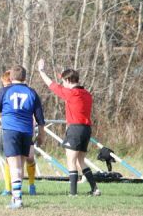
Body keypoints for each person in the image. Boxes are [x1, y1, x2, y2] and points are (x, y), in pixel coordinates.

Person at [0, 65, 46, 209]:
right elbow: (40, 118)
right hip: (26, 131)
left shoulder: (5, 91)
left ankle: (17, 199)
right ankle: (17, 197)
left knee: (13, 165)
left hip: (11, 130)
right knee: (20, 165)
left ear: (11, 78)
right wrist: (41, 135)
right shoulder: (32, 92)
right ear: (25, 77)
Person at [38, 59, 100, 196]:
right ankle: (95, 189)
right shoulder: (87, 94)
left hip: (75, 128)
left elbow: (51, 84)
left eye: (64, 81)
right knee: (81, 160)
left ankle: (73, 193)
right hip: (86, 128)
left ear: (68, 81)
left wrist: (41, 71)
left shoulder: (71, 93)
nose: (62, 84)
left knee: (71, 160)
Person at [0, 71, 38, 196]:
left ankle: (31, 184)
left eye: (6, 84)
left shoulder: (25, 92)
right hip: (11, 130)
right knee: (11, 160)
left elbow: (33, 111)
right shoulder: (5, 93)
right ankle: (9, 188)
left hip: (25, 129)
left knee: (28, 158)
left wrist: (35, 123)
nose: (5, 87)